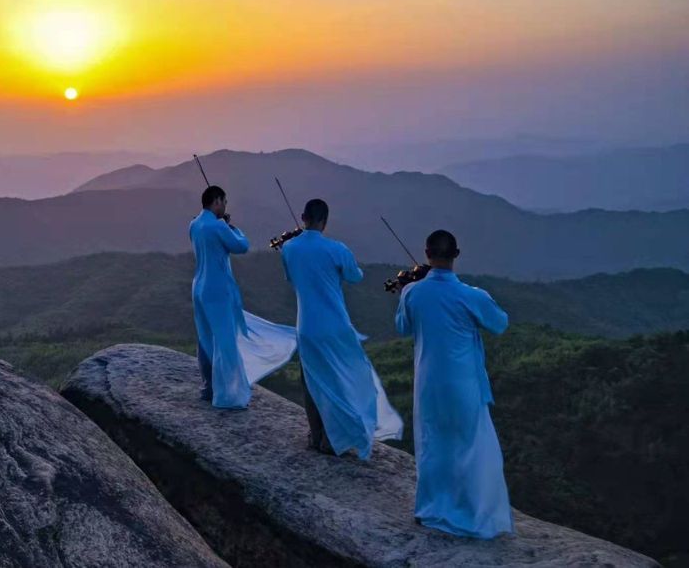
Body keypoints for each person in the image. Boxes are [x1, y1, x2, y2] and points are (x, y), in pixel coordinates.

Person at [396, 229, 513, 539]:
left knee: (432, 444)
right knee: (472, 446)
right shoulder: (471, 295)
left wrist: (407, 288)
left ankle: (430, 508)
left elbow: (402, 327)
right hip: (464, 383)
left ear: (426, 253)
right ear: (456, 255)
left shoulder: (412, 292)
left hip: (427, 381)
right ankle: (473, 512)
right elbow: (500, 323)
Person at [279, 198, 402, 457]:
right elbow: (355, 276)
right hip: (335, 324)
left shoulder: (289, 248)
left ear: (303, 217)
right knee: (342, 378)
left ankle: (316, 435)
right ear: (325, 221)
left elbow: (290, 278)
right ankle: (335, 439)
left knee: (311, 381)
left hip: (307, 326)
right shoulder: (336, 249)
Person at [189, 185, 297, 408]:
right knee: (225, 340)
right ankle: (228, 394)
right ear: (216, 201)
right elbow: (241, 246)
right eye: (224, 202)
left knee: (205, 338)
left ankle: (208, 387)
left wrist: (224, 227)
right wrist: (233, 228)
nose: (226, 205)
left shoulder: (195, 224)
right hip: (217, 289)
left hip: (198, 286)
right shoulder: (217, 226)